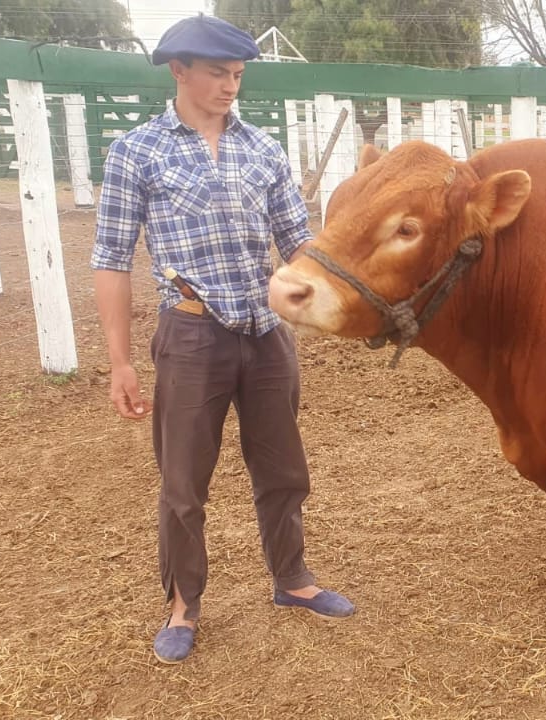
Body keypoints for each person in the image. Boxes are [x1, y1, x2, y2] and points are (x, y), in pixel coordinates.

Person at [91, 14, 354, 665]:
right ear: (178, 71)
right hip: (190, 336)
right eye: (216, 73)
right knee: (183, 482)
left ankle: (292, 580)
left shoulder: (263, 149)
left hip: (266, 339)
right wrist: (120, 361)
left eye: (237, 74)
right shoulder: (137, 152)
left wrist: (339, 291)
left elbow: (298, 244)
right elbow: (110, 259)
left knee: (284, 471)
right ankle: (183, 604)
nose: (229, 85)